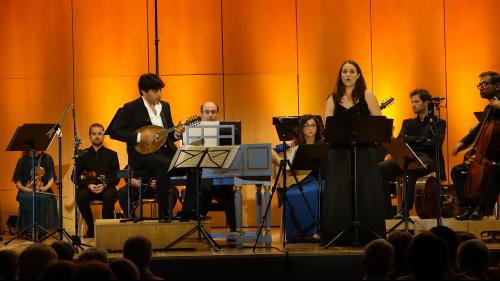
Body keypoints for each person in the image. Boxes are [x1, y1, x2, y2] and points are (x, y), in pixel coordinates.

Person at [321, 60, 385, 245]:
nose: (348, 75)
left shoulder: (367, 95)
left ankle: (368, 233)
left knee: (365, 191)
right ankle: (339, 234)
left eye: (352, 71)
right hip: (339, 152)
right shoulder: (332, 98)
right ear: (340, 75)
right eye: (344, 72)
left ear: (358, 75)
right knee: (340, 193)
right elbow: (328, 126)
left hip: (364, 151)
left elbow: (378, 124)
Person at [110, 73, 185, 222]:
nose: (159, 94)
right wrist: (138, 137)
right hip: (142, 156)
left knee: (194, 162)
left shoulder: (165, 106)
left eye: (160, 90)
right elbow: (114, 132)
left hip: (166, 151)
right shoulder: (131, 107)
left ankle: (190, 211)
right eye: (155, 91)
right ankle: (164, 213)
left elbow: (168, 134)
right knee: (164, 164)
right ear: (144, 91)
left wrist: (176, 134)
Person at [378, 89, 446, 219]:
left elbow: (435, 143)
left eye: (416, 101)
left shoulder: (438, 123)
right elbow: (400, 140)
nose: (413, 104)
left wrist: (412, 139)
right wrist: (423, 139)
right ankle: (385, 211)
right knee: (380, 168)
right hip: (407, 156)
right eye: (412, 102)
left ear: (426, 103)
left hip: (429, 159)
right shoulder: (408, 123)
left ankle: (405, 210)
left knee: (412, 165)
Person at [179, 101, 236, 232]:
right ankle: (197, 231)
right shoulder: (192, 132)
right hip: (202, 179)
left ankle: (234, 232)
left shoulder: (226, 131)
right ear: (201, 114)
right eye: (207, 112)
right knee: (201, 192)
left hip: (221, 177)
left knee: (228, 193)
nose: (210, 115)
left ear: (217, 114)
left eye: (213, 112)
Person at [453, 72, 500, 220]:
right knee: (457, 171)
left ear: (497, 86)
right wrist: (462, 143)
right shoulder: (489, 108)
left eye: (485, 84)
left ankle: (483, 208)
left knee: (498, 169)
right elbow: (480, 129)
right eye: (479, 85)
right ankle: (469, 206)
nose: (481, 88)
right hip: (490, 155)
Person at [272, 114, 324, 241]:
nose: (310, 128)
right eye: (306, 126)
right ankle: (296, 234)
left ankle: (313, 232)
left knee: (314, 191)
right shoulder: (294, 143)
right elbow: (270, 150)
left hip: (317, 179)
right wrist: (281, 163)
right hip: (297, 180)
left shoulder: (323, 143)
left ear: (317, 128)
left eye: (313, 125)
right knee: (290, 194)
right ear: (301, 129)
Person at [74, 123, 119, 238]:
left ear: (104, 135)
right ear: (90, 136)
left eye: (100, 133)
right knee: (81, 196)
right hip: (88, 188)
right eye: (94, 134)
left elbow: (116, 177)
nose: (97, 136)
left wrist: (104, 185)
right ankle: (92, 228)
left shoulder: (112, 155)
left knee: (110, 195)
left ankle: (104, 229)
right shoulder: (81, 154)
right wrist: (88, 185)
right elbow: (74, 177)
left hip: (106, 188)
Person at [12, 151, 58, 236]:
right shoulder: (22, 160)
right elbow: (17, 181)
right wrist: (24, 189)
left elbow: (52, 178)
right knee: (29, 198)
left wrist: (45, 188)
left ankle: (43, 230)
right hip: (26, 190)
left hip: (43, 189)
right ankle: (28, 230)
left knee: (43, 198)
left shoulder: (47, 159)